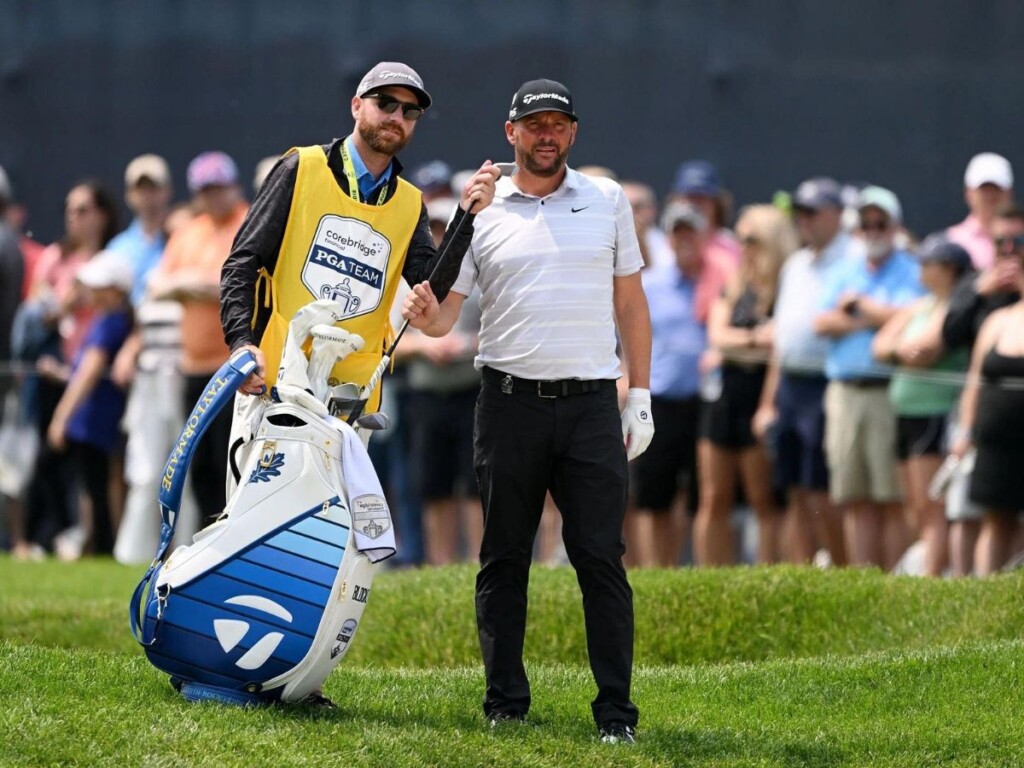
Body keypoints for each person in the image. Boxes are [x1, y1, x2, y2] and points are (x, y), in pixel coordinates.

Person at [401, 78, 652, 745]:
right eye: (533, 125)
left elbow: (631, 304)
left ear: (572, 133)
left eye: (558, 124)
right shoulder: (482, 206)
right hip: (508, 403)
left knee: (600, 556)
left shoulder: (607, 199)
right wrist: (457, 228)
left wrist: (643, 394)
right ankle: (505, 704)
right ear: (510, 134)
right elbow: (442, 316)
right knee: (504, 555)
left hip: (593, 403)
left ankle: (616, 716)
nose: (547, 135)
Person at [221, 61, 499, 429]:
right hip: (275, 382)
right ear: (356, 106)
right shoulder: (300, 167)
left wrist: (465, 215)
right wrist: (241, 343)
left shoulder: (410, 202)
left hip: (350, 401)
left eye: (409, 111)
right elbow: (242, 261)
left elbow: (430, 285)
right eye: (385, 103)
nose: (396, 116)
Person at [814, 186, 924, 568]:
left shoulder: (912, 269)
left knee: (890, 494)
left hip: (888, 391)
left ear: (894, 226)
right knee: (854, 494)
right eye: (866, 223)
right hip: (845, 392)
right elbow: (822, 322)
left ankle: (892, 581)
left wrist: (859, 307)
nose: (873, 229)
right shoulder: (844, 268)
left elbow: (909, 318)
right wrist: (877, 316)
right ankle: (865, 580)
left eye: (881, 222)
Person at [753, 177, 855, 565]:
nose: (804, 220)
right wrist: (768, 403)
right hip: (791, 386)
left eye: (812, 212)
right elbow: (782, 340)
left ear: (836, 214)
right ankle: (804, 568)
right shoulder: (795, 264)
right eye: (800, 212)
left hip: (827, 383)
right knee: (793, 485)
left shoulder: (852, 258)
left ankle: (842, 566)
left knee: (823, 487)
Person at [148, 151, 248, 528]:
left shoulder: (247, 221)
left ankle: (231, 536)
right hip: (192, 368)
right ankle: (207, 539)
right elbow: (157, 285)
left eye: (219, 187)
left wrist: (190, 285)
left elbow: (233, 285)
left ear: (233, 186)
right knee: (199, 461)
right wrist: (193, 285)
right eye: (205, 190)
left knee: (231, 459)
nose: (213, 196)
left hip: (234, 367)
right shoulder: (190, 231)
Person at [632, 202, 729, 568]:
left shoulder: (719, 283)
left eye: (691, 231)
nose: (684, 239)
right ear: (669, 238)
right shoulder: (652, 285)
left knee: (702, 496)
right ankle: (657, 570)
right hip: (659, 400)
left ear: (705, 236)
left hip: (704, 401)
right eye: (678, 232)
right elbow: (625, 337)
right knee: (654, 496)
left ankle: (698, 569)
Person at [698, 205, 797, 564]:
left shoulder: (787, 287)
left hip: (762, 392)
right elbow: (717, 334)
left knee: (762, 497)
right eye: (739, 239)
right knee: (713, 496)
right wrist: (756, 339)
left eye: (750, 239)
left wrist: (737, 344)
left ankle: (767, 570)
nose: (743, 246)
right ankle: (708, 575)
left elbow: (781, 343)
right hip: (726, 392)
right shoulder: (736, 283)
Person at [871, 235, 972, 576]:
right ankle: (926, 571)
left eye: (927, 263)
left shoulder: (956, 309)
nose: (920, 269)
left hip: (933, 413)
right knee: (914, 506)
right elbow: (881, 345)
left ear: (947, 269)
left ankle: (931, 580)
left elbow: (926, 352)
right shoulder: (921, 306)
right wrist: (903, 350)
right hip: (906, 413)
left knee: (932, 505)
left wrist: (901, 351)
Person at [397, 196, 483, 565]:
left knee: (477, 486)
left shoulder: (475, 276)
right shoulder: (408, 279)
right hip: (427, 393)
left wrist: (465, 344)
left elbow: (503, 329)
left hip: (472, 390)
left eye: (444, 229)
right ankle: (441, 566)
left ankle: (481, 563)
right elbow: (388, 343)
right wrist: (422, 346)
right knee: (434, 487)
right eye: (432, 229)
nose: (437, 236)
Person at [941, 205, 1023, 575]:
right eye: (1001, 243)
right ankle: (987, 604)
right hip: (994, 445)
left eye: (1017, 243)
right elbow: (973, 376)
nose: (1010, 252)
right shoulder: (990, 310)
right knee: (993, 521)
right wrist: (964, 433)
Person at [45, 251, 134, 556]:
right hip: (90, 420)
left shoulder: (112, 321)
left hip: (95, 420)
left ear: (116, 290)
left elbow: (89, 371)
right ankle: (96, 545)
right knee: (94, 487)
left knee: (96, 488)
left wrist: (60, 417)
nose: (91, 292)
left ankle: (101, 548)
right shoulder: (105, 319)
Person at [667, 160, 741, 269]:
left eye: (702, 197)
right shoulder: (659, 248)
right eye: (690, 197)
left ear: (717, 203)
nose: (695, 204)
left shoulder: (732, 246)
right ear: (676, 200)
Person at [946, 153, 1014, 271]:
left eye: (997, 189)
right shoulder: (951, 241)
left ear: (1009, 193)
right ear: (969, 194)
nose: (991, 196)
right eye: (984, 190)